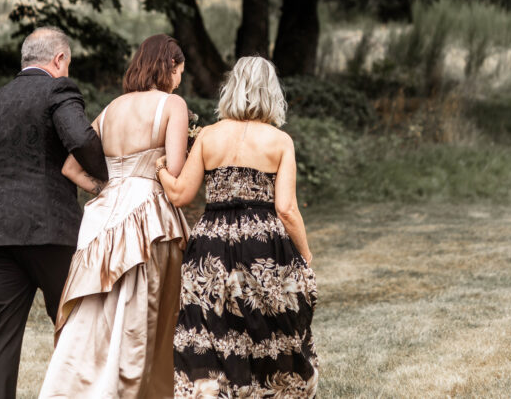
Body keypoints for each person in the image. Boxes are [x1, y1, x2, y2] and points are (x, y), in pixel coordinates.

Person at [157, 56, 319, 397]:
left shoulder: (208, 137)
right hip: (264, 245)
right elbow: (287, 209)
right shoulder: (279, 141)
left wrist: (159, 169)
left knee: (211, 328)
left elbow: (181, 194)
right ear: (270, 93)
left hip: (211, 246)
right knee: (266, 327)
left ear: (231, 90)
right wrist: (304, 254)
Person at [40, 34, 191, 398]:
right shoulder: (172, 105)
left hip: (102, 216)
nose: (181, 79)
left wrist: (106, 189)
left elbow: (71, 169)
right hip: (148, 216)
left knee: (96, 314)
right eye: (181, 71)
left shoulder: (111, 109)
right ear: (169, 65)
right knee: (142, 313)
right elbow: (176, 171)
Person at [0, 26, 109, 399]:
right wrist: (107, 180)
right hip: (49, 229)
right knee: (75, 325)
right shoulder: (58, 90)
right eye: (68, 63)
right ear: (59, 59)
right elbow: (80, 139)